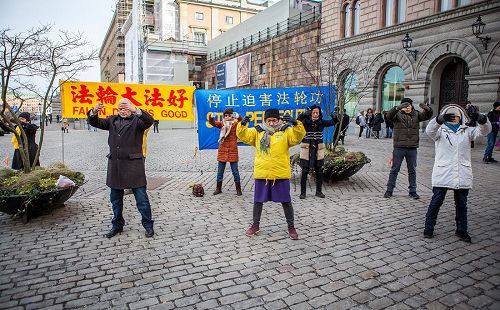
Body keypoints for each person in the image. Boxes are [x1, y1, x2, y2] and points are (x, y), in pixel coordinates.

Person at [88, 98, 155, 238]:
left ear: (131, 107)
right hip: (116, 166)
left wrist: (135, 110)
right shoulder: (112, 120)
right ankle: (117, 225)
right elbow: (95, 122)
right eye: (120, 108)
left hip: (133, 167)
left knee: (142, 200)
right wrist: (94, 111)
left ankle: (148, 225)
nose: (123, 111)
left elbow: (150, 120)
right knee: (115, 200)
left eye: (126, 108)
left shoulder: (138, 121)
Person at [423, 105, 490, 242]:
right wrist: (439, 120)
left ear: (461, 117)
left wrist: (481, 119)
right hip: (444, 171)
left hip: (461, 172)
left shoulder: (467, 131)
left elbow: (484, 131)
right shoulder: (440, 132)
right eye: (450, 116)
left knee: (461, 204)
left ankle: (462, 230)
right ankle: (429, 227)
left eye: (456, 116)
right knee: (436, 202)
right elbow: (429, 130)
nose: (454, 118)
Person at [237, 108, 306, 240]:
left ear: (279, 120)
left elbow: (298, 137)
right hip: (263, 172)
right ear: (265, 121)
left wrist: (296, 124)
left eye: (274, 120)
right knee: (258, 201)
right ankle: (255, 225)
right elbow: (243, 136)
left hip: (280, 172)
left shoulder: (286, 131)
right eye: (269, 120)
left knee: (286, 201)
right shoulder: (258, 131)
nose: (272, 123)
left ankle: (291, 227)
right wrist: (242, 125)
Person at [383, 97, 433, 199]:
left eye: (409, 105)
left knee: (412, 170)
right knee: (394, 170)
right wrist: (397, 108)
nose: (407, 107)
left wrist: (428, 109)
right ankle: (389, 190)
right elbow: (388, 116)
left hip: (412, 148)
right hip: (399, 147)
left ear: (412, 106)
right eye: (405, 105)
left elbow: (426, 116)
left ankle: (413, 191)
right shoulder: (397, 115)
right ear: (402, 106)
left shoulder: (416, 114)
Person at [297, 105, 337, 199]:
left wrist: (335, 117)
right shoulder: (305, 121)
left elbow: (333, 122)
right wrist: (302, 114)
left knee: (319, 171)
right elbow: (297, 122)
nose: (315, 114)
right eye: (313, 112)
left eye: (317, 113)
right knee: (305, 171)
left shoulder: (322, 122)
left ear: (319, 114)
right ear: (311, 113)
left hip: (318, 149)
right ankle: (303, 193)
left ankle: (318, 191)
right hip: (306, 148)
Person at [209, 108, 243, 196]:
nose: (227, 117)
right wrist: (211, 117)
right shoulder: (221, 124)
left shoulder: (235, 124)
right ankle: (218, 188)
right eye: (226, 115)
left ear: (232, 116)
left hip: (232, 151)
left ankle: (238, 189)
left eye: (229, 115)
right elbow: (212, 123)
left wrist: (238, 116)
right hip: (222, 151)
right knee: (220, 172)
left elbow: (242, 122)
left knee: (235, 171)